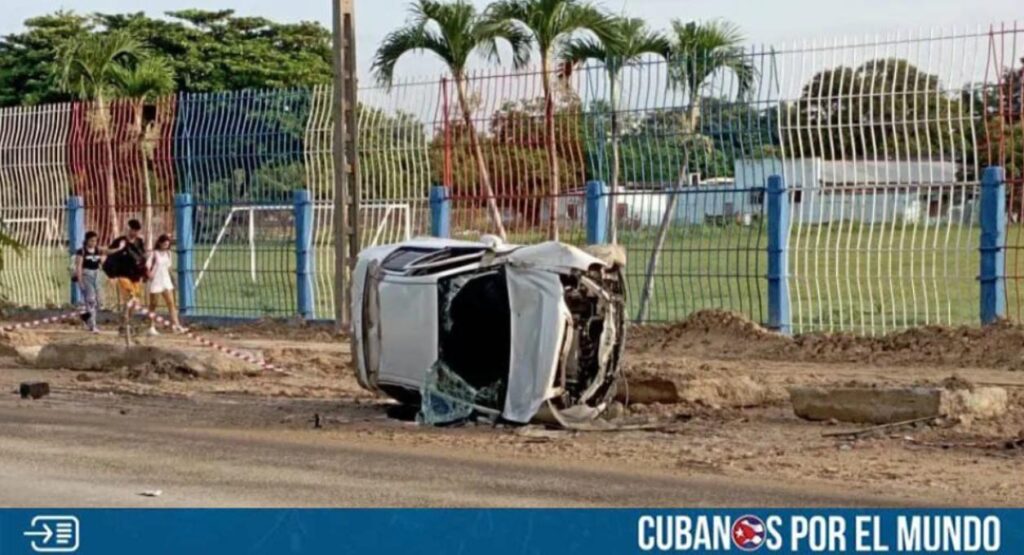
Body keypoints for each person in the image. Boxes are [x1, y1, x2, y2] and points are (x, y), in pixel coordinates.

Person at [103, 219, 147, 332]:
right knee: (130, 297)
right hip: (123, 274)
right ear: (128, 229)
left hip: (136, 275)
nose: (135, 233)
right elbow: (109, 254)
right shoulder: (120, 241)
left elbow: (142, 257)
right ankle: (125, 323)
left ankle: (126, 322)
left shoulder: (139, 242)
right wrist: (111, 274)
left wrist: (144, 273)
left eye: (137, 230)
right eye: (133, 230)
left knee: (135, 301)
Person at [145, 234, 183, 335]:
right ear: (160, 243)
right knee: (153, 305)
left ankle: (176, 325)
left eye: (168, 243)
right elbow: (147, 266)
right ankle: (151, 326)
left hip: (166, 281)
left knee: (171, 304)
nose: (166, 244)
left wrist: (173, 280)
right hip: (156, 281)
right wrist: (149, 276)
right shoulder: (154, 253)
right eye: (164, 242)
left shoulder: (168, 253)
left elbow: (169, 268)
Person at [73, 231, 104, 332]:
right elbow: (78, 267)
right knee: (91, 300)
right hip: (86, 276)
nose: (94, 243)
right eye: (91, 240)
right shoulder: (81, 252)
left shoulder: (97, 251)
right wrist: (80, 281)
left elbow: (101, 263)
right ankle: (93, 325)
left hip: (96, 276)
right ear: (87, 240)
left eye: (95, 241)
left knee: (99, 301)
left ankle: (84, 314)